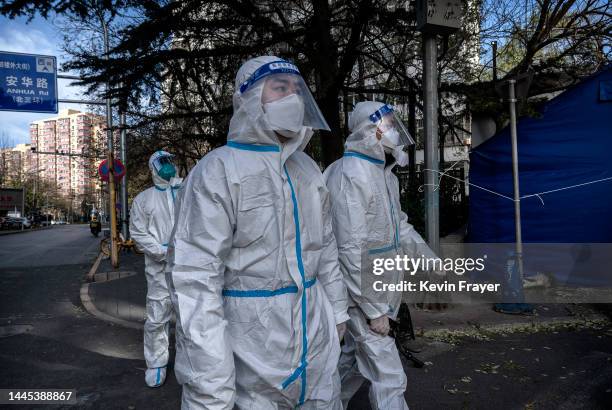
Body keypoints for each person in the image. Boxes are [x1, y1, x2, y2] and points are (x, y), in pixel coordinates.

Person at [166, 56, 349, 409]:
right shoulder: (217, 170)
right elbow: (195, 280)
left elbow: (325, 248)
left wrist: (337, 314)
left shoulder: (307, 170)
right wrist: (210, 382)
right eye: (280, 88)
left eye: (297, 90)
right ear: (248, 99)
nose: (293, 99)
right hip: (251, 343)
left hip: (314, 331)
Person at [324, 101, 439, 409]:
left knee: (352, 364)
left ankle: (322, 403)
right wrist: (374, 310)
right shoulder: (350, 174)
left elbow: (398, 227)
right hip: (361, 294)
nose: (393, 130)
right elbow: (350, 249)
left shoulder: (384, 173)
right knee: (388, 374)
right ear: (369, 130)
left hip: (381, 288)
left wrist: (431, 263)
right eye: (387, 124)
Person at [129, 150, 183, 388]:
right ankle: (156, 363)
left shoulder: (187, 192)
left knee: (189, 316)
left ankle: (189, 363)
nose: (168, 166)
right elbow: (139, 233)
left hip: (188, 266)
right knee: (157, 317)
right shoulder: (144, 199)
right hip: (158, 269)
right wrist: (163, 250)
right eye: (163, 162)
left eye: (170, 161)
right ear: (153, 167)